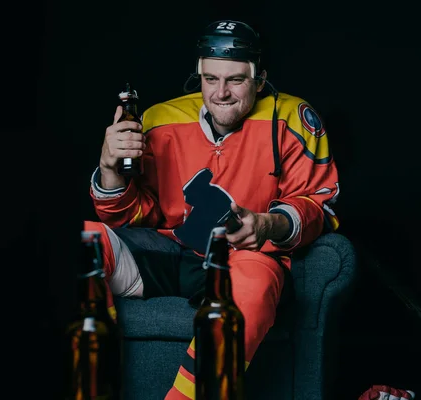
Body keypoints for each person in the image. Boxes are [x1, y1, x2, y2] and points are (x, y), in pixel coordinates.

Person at [85, 19, 341, 399]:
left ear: (259, 79)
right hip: (170, 253)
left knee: (251, 288)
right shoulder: (159, 119)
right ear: (199, 75)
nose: (221, 93)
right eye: (210, 79)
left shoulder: (293, 119)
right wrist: (108, 170)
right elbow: (131, 216)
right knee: (85, 245)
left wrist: (270, 224)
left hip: (244, 260)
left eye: (236, 80)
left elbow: (321, 204)